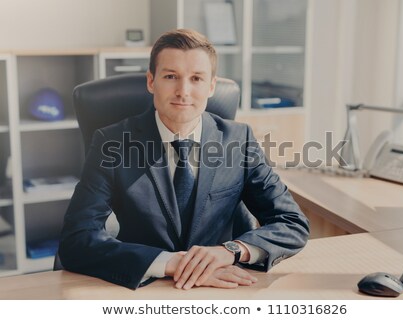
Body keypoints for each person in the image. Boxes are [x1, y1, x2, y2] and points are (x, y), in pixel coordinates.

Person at [59, 29, 309, 290]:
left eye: (197, 78)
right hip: (148, 288)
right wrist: (171, 263)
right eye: (171, 76)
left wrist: (231, 250)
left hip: (225, 287)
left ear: (211, 86)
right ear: (151, 81)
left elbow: (291, 223)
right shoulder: (112, 143)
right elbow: (76, 239)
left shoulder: (239, 140)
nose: (183, 91)